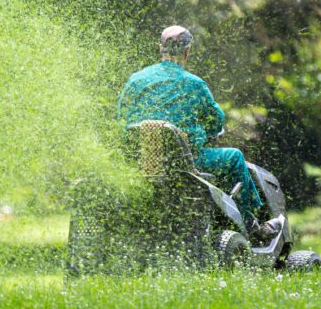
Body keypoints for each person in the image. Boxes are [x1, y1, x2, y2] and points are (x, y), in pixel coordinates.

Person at [117, 25, 280, 239]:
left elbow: (121, 119)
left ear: (160, 49)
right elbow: (216, 122)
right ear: (187, 52)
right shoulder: (194, 84)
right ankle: (251, 224)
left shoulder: (135, 81)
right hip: (187, 164)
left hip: (140, 163)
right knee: (234, 157)